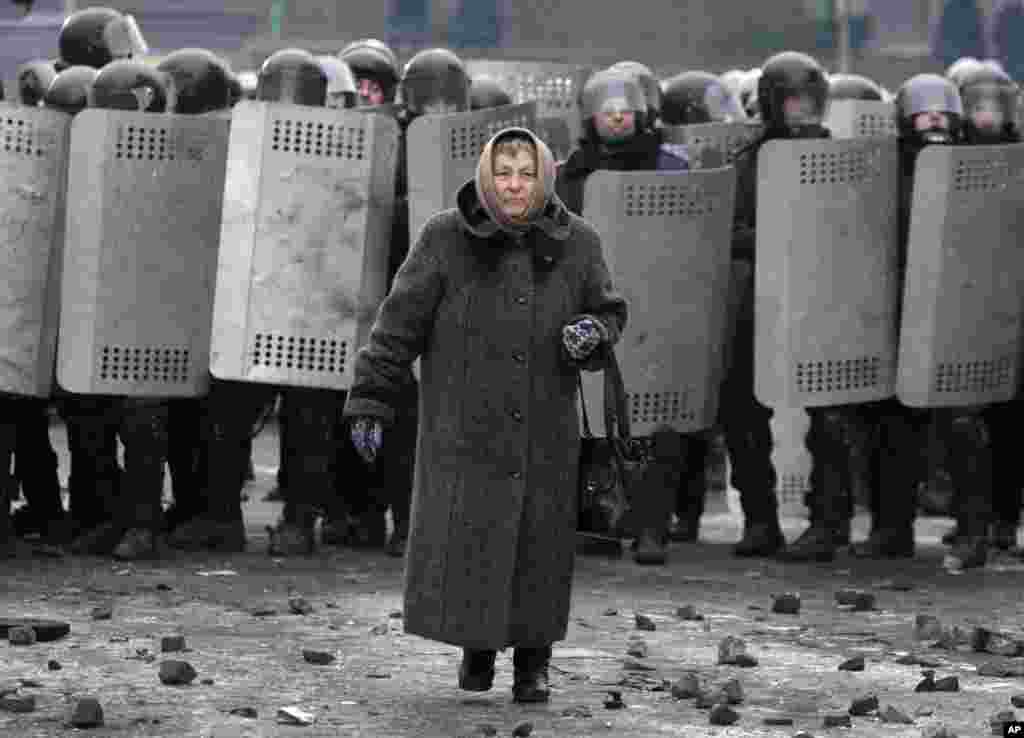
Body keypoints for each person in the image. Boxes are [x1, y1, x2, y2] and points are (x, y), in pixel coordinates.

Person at [345, 126, 626, 703]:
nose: (515, 185)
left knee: (539, 548)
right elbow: (399, 324)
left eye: (526, 174)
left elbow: (609, 310)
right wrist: (371, 396)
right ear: (486, 177)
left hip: (546, 428)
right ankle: (477, 650)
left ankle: (533, 665)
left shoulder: (579, 242)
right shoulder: (445, 237)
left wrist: (592, 331)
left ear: (545, 177)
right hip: (466, 428)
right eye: (504, 174)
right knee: (474, 542)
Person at [555, 67, 688, 565]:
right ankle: (595, 523)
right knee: (590, 420)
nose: (616, 119)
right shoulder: (571, 174)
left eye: (624, 111)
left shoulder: (672, 166)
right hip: (595, 306)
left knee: (657, 424)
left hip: (661, 304)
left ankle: (652, 525)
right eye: (606, 112)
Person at [851, 74, 965, 561]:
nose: (934, 115)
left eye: (943, 107)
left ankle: (979, 527)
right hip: (897, 310)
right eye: (924, 108)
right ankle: (891, 527)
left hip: (959, 311)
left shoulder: (974, 165)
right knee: (891, 425)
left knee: (964, 426)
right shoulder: (887, 169)